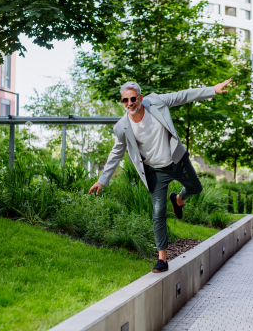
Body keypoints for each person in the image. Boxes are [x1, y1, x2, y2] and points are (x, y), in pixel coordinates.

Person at [89, 79, 232, 273]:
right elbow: (116, 152)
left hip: (176, 160)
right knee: (158, 212)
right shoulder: (122, 127)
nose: (129, 103)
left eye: (133, 98)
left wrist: (212, 90)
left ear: (140, 97)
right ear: (122, 102)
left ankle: (179, 199)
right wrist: (102, 180)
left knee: (196, 188)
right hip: (155, 171)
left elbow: (182, 96)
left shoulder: (155, 102)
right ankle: (162, 259)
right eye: (125, 100)